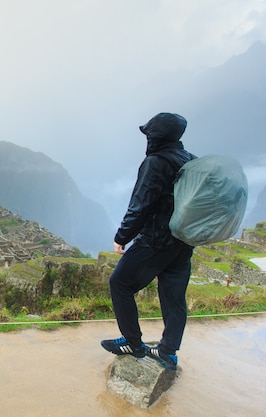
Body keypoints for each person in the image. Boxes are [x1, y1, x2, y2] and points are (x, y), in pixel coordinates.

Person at [100, 112, 196, 371]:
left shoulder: (156, 162)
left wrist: (122, 237)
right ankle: (168, 352)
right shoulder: (191, 161)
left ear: (156, 136)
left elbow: (141, 205)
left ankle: (133, 342)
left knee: (119, 282)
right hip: (183, 243)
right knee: (174, 298)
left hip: (156, 240)